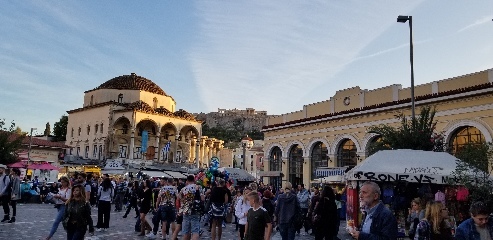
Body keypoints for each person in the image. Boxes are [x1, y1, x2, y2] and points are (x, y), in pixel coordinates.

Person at [178, 175, 204, 240]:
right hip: (195, 210)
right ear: (194, 180)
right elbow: (202, 199)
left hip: (186, 211)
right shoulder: (198, 187)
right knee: (195, 231)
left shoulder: (183, 189)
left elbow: (179, 198)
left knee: (186, 232)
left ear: (187, 181)